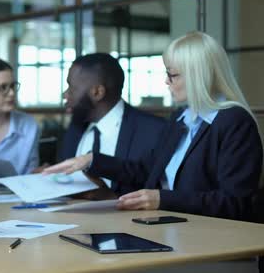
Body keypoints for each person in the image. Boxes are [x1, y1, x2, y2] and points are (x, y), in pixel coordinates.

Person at [44, 31, 262, 221]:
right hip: (169, 229)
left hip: (209, 241)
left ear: (198, 76)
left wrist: (162, 199)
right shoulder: (181, 118)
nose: (166, 82)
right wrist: (92, 160)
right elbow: (147, 170)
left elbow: (235, 202)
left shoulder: (234, 122)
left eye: (172, 75)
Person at [56, 53, 166, 196]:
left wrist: (108, 197)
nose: (65, 94)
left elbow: (157, 189)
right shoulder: (76, 127)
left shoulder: (153, 131)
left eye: (71, 88)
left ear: (97, 92)